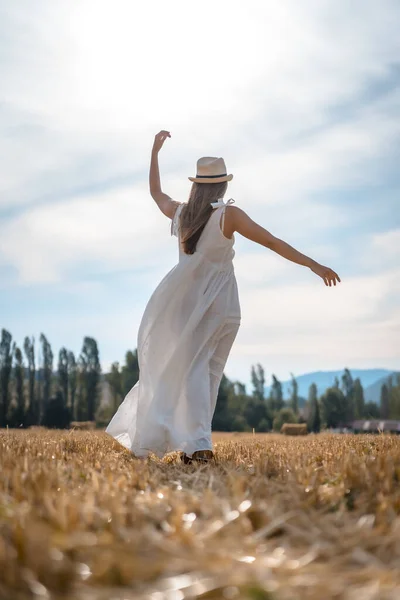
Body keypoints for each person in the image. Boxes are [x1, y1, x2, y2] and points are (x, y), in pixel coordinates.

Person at [106, 130, 341, 464]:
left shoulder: (182, 213)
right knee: (206, 374)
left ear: (197, 184)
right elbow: (272, 241)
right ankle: (197, 446)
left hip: (182, 303)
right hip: (220, 305)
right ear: (222, 185)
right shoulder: (227, 214)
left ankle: (194, 444)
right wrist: (314, 265)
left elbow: (155, 192)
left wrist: (155, 152)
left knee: (194, 373)